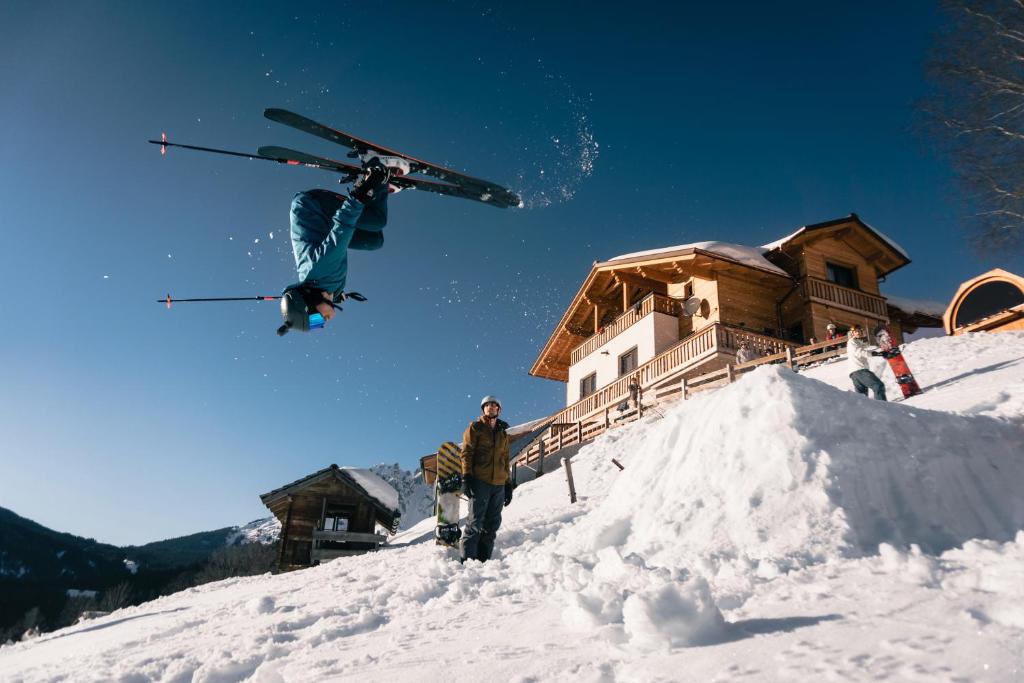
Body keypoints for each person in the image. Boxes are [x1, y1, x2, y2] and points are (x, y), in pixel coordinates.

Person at [277, 161, 398, 335]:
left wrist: (360, 195)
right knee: (375, 240)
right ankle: (375, 190)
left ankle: (378, 175)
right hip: (325, 227)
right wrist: (336, 296)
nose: (323, 323)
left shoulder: (321, 268)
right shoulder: (327, 289)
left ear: (309, 303)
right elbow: (327, 289)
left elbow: (343, 227)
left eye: (316, 320)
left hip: (312, 206)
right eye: (316, 325)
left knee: (377, 220)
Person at [460, 395, 513, 563]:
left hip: (498, 485)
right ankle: (468, 561)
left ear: (499, 409)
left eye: (494, 405)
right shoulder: (475, 428)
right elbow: (467, 453)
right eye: (487, 405)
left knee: (492, 524)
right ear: (483, 409)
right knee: (475, 522)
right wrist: (466, 477)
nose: (491, 407)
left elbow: (505, 460)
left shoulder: (503, 434)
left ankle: (484, 560)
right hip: (480, 481)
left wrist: (508, 484)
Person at [847, 325, 886, 401]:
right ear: (852, 333)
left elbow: (865, 351)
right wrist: (874, 354)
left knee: (862, 398)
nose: (858, 333)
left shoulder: (858, 342)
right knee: (878, 385)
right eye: (856, 331)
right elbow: (859, 352)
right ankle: (883, 406)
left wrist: (879, 353)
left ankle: (863, 412)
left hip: (854, 373)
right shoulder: (852, 341)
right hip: (860, 370)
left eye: (859, 331)